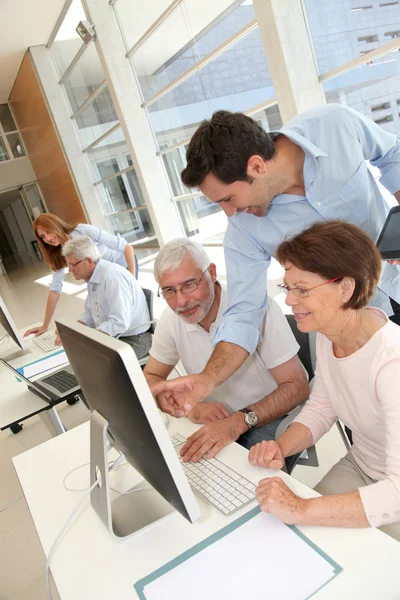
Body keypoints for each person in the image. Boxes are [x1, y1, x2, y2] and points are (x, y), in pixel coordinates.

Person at [151, 104, 400, 417]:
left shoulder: (333, 126)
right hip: (353, 333)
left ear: (256, 166)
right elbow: (243, 315)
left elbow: (391, 153)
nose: (229, 213)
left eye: (228, 199)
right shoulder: (244, 230)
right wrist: (207, 378)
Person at [248, 220, 400, 541]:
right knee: (292, 539)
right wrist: (281, 446)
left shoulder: (392, 363)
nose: (289, 300)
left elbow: (396, 492)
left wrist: (300, 508)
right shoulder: (327, 335)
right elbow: (321, 408)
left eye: (302, 290)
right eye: (288, 288)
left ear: (346, 288)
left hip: (395, 490)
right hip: (362, 466)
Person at [144, 238, 309, 462]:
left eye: (189, 285)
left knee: (247, 487)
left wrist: (238, 421)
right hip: (215, 420)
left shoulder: (257, 308)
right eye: (170, 290)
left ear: (212, 273)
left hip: (268, 416)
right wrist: (193, 408)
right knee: (182, 471)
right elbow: (151, 377)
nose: (181, 301)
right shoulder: (170, 319)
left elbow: (298, 387)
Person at [24, 213, 138, 338]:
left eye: (47, 231)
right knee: (104, 311)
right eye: (42, 237)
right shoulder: (58, 252)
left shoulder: (82, 230)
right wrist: (45, 325)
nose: (47, 238)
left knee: (125, 308)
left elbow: (126, 247)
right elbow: (55, 289)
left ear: (55, 225)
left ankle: (131, 337)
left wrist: (131, 279)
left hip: (123, 265)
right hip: (101, 278)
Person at [61, 236, 151, 359]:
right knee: (77, 354)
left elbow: (119, 322)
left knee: (93, 361)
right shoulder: (93, 277)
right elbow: (90, 314)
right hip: (115, 336)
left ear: (89, 261)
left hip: (135, 339)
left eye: (73, 265)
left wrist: (92, 337)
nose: (70, 270)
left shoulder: (113, 278)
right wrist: (71, 332)